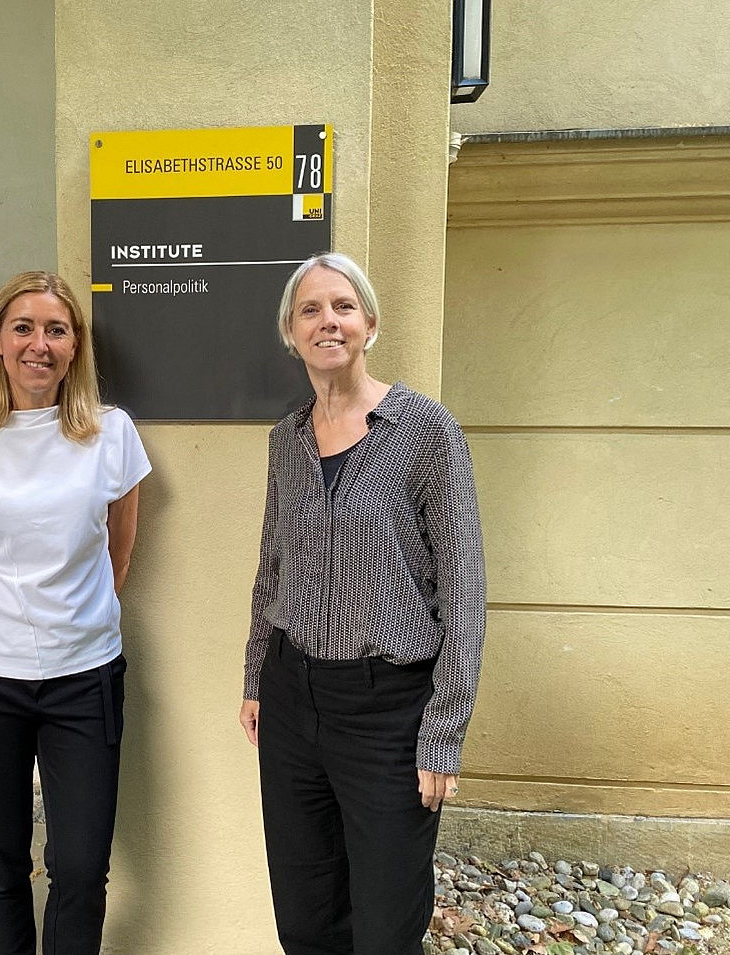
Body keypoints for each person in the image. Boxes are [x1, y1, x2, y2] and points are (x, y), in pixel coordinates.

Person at [239, 252, 485, 955]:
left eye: (343, 306)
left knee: (385, 922)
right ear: (291, 333)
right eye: (310, 310)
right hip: (292, 697)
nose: (328, 321)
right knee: (306, 912)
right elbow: (272, 568)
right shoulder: (287, 440)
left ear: (369, 324)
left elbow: (464, 589)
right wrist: (256, 677)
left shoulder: (426, 432)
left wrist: (443, 729)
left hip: (387, 709)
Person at [0, 270, 150, 955]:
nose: (38, 344)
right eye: (22, 328)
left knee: (80, 865)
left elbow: (119, 548)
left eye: (56, 330)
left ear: (75, 345)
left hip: (85, 675)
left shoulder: (111, 434)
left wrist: (71, 616)